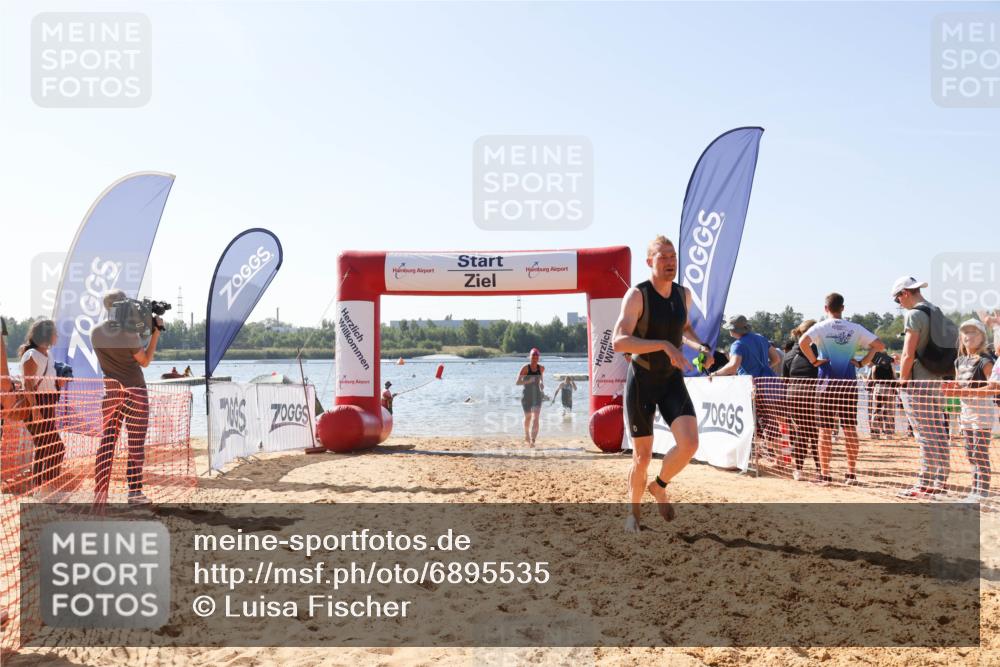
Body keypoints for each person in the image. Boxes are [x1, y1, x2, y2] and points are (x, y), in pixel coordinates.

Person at [613, 235, 712, 533]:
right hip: (642, 379)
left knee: (690, 444)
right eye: (663, 257)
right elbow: (619, 342)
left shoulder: (684, 294)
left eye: (673, 257)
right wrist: (662, 346)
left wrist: (701, 348)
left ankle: (659, 486)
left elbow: (683, 329)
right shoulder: (637, 295)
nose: (670, 262)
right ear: (649, 262)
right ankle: (634, 516)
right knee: (642, 457)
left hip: (670, 380)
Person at [797, 293, 886, 486]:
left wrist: (814, 361)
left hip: (826, 385)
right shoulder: (855, 328)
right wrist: (862, 361)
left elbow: (802, 342)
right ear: (843, 308)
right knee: (849, 429)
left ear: (825, 308)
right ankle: (851, 474)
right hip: (848, 384)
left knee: (825, 430)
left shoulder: (820, 327)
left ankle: (825, 474)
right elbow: (880, 345)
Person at [92, 290, 162, 505]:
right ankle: (134, 493)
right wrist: (156, 333)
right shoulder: (129, 334)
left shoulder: (96, 332)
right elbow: (145, 361)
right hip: (136, 392)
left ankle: (100, 492)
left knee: (107, 442)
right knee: (135, 444)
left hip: (111, 392)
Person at [891, 277, 954, 498]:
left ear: (906, 293)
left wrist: (902, 380)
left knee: (923, 433)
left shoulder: (914, 315)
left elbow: (908, 353)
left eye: (897, 298)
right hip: (935, 378)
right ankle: (940, 479)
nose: (899, 304)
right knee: (938, 430)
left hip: (917, 381)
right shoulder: (935, 310)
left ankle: (924, 484)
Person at [710, 315, 783, 460]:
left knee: (749, 422)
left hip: (750, 388)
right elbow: (776, 359)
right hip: (769, 384)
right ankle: (780, 460)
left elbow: (733, 367)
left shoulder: (738, 345)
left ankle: (749, 457)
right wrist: (764, 368)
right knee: (770, 422)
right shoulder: (761, 338)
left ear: (733, 330)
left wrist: (715, 373)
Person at [942, 319, 995, 502]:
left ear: (982, 337)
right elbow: (960, 383)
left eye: (974, 332)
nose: (968, 336)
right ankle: (975, 489)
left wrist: (961, 391)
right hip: (965, 411)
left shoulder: (986, 361)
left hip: (982, 412)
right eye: (965, 332)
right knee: (969, 452)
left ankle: (983, 493)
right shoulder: (959, 361)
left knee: (979, 453)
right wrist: (952, 386)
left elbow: (994, 388)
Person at [17, 319, 66, 489]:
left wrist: (57, 383)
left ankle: (41, 486)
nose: (57, 336)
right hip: (37, 404)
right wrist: (35, 408)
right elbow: (28, 384)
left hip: (48, 403)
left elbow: (43, 380)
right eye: (55, 333)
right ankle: (47, 486)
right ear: (47, 335)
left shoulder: (48, 354)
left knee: (44, 447)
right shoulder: (32, 355)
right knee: (56, 448)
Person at [782, 319, 821, 481]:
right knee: (816, 434)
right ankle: (821, 470)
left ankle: (798, 470)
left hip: (793, 396)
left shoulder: (789, 354)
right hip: (813, 395)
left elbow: (785, 380)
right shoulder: (818, 350)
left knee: (802, 432)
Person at [516, 348, 545, 446]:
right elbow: (517, 382)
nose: (534, 359)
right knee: (528, 417)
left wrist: (541, 383)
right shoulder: (525, 368)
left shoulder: (541, 368)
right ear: (530, 357)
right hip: (526, 396)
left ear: (538, 358)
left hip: (537, 395)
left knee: (536, 417)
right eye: (533, 357)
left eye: (536, 358)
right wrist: (528, 381)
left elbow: (541, 378)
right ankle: (526, 434)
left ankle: (533, 440)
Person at [868, 351, 898, 440]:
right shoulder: (890, 366)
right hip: (889, 389)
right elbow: (894, 378)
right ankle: (889, 433)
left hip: (878, 389)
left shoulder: (874, 367)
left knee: (877, 411)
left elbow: (873, 379)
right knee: (889, 411)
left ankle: (875, 433)